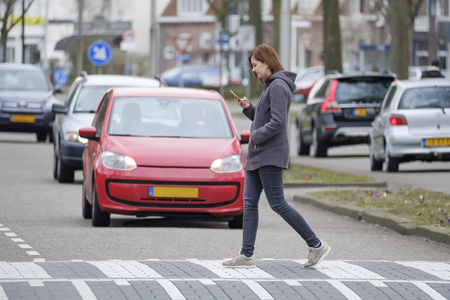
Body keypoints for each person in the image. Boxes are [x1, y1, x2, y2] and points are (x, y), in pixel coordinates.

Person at [223, 44, 330, 269]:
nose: (253, 70)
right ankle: (246, 254)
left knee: (278, 203)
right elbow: (265, 118)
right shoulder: (271, 86)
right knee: (250, 203)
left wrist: (255, 137)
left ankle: (317, 245)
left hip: (269, 154)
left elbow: (279, 122)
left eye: (255, 65)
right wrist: (249, 108)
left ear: (267, 63)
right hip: (258, 155)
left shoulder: (278, 86)